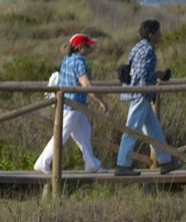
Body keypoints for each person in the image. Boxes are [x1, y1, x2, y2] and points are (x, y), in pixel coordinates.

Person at [34, 34, 108, 174]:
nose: (90, 48)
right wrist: (101, 101)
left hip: (70, 104)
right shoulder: (79, 62)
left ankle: (91, 163)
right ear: (79, 48)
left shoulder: (66, 59)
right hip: (72, 105)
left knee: (84, 133)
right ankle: (42, 162)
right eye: (87, 46)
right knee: (61, 135)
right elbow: (86, 84)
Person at [115, 19, 177, 176]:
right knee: (132, 129)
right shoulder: (148, 50)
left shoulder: (137, 47)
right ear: (151, 34)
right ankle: (122, 164)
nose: (160, 35)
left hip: (137, 92)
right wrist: (159, 74)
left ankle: (165, 161)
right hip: (141, 93)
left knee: (153, 129)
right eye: (158, 32)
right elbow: (143, 73)